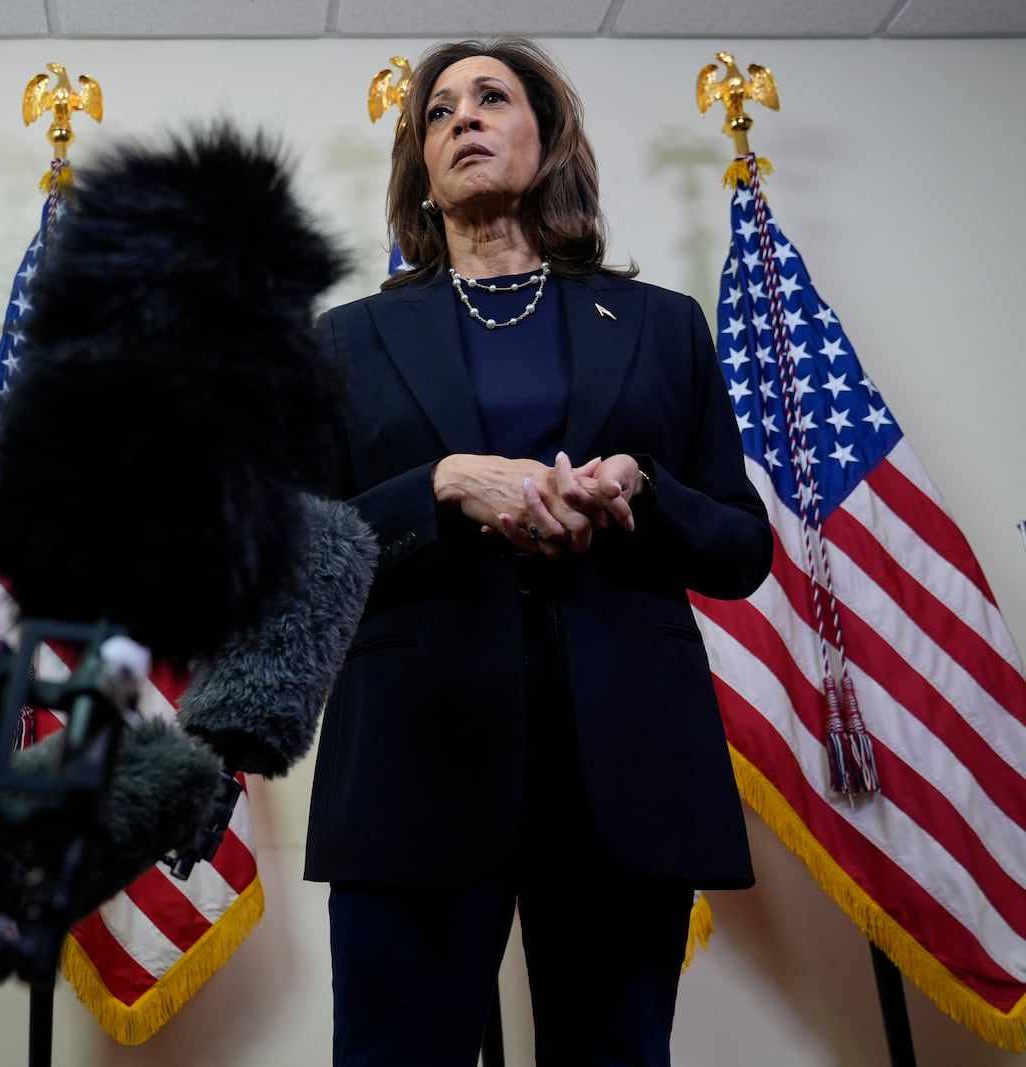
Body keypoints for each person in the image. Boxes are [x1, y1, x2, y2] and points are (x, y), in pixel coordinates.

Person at [304, 37, 773, 1066]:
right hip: (414, 768)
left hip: (624, 775)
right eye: (437, 112)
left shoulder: (660, 326)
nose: (461, 118)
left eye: (491, 98)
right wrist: (441, 485)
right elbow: (296, 558)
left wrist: (640, 491)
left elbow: (741, 546)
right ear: (419, 173)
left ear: (547, 137)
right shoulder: (344, 343)